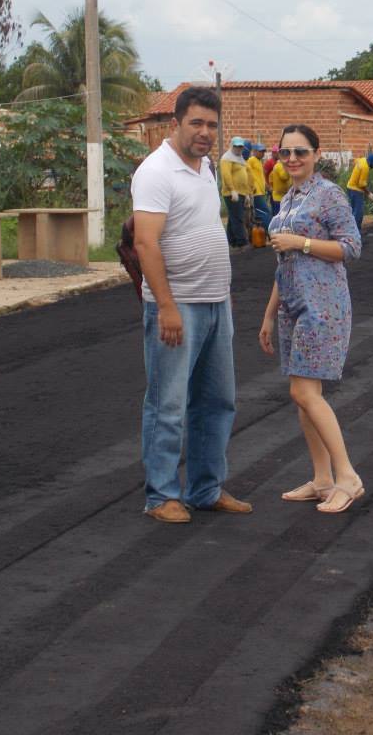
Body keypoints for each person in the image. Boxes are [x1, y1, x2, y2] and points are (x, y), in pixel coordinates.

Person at [131, 86, 252, 523]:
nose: (205, 132)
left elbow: (207, 231)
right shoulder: (156, 171)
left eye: (212, 125)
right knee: (167, 403)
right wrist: (166, 307)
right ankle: (161, 495)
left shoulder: (204, 169)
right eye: (196, 123)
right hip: (177, 306)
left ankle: (205, 489)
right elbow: (146, 242)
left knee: (217, 401)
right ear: (175, 124)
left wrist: (224, 296)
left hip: (215, 304)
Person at [258, 124, 364, 514]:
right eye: (285, 153)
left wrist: (301, 242)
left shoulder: (328, 194)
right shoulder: (286, 200)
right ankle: (322, 479)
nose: (292, 159)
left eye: (300, 151)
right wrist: (269, 315)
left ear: (317, 154)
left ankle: (347, 477)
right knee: (304, 398)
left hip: (323, 307)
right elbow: (283, 262)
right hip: (292, 307)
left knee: (304, 393)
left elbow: (351, 247)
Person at [220, 136, 250, 249]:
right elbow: (226, 175)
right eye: (236, 146)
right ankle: (241, 242)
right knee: (238, 217)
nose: (238, 148)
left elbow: (244, 176)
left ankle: (232, 241)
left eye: (241, 146)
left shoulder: (240, 158)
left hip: (241, 193)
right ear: (232, 145)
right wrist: (232, 190)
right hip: (231, 193)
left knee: (234, 217)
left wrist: (246, 194)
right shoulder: (226, 158)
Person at [346, 152, 373, 232]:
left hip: (350, 187)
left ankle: (350, 230)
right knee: (358, 213)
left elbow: (355, 161)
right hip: (356, 190)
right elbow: (361, 184)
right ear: (370, 162)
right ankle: (356, 232)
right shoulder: (365, 168)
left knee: (353, 211)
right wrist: (369, 193)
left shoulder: (362, 160)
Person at [247, 143, 272, 231]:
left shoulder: (258, 161)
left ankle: (264, 232)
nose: (262, 153)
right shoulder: (251, 160)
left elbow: (260, 176)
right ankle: (269, 232)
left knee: (263, 212)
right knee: (264, 212)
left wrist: (266, 186)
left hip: (261, 192)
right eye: (260, 151)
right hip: (256, 193)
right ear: (254, 151)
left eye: (263, 152)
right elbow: (247, 172)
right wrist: (252, 187)